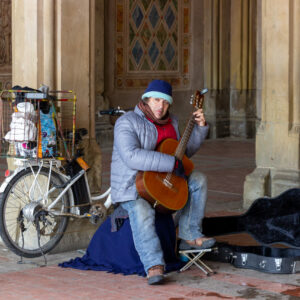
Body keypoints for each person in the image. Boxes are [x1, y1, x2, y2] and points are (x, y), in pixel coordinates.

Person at [110, 80, 215, 285]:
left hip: (161, 180)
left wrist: (201, 128)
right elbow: (131, 156)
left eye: (166, 102)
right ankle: (153, 265)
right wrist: (170, 163)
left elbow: (180, 156)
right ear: (146, 99)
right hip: (133, 185)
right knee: (142, 211)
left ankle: (190, 235)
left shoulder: (172, 122)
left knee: (198, 180)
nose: (161, 106)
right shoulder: (127, 122)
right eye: (156, 100)